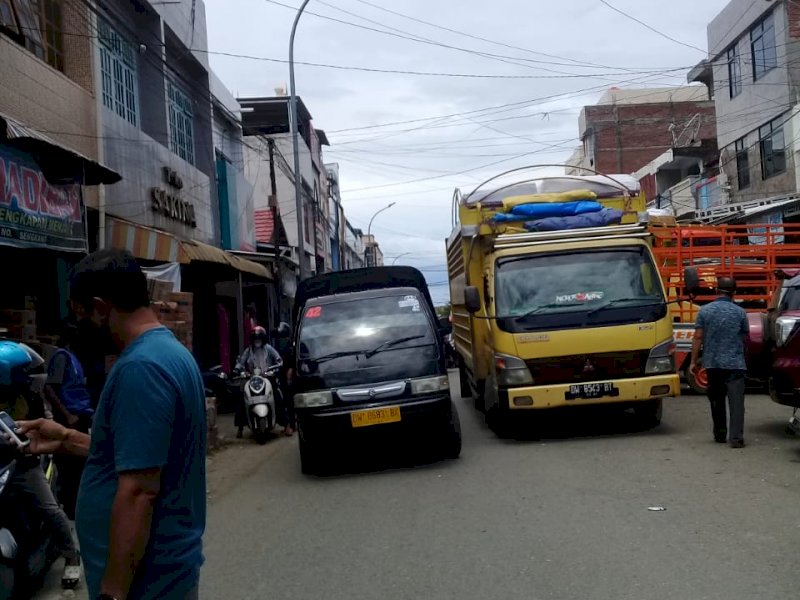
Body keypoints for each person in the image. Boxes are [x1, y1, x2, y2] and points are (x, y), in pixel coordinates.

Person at [17, 248, 207, 600]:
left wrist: (112, 593)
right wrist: (67, 439)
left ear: (102, 308)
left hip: (147, 583)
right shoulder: (168, 353)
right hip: (163, 575)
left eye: (81, 314)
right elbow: (145, 455)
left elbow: (139, 491)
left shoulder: (142, 368)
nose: (79, 327)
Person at [0, 340, 82, 589]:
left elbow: (40, 425)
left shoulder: (27, 398)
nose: (30, 379)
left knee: (49, 509)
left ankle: (71, 556)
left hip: (23, 463)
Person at [690, 276, 749, 448]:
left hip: (713, 363)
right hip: (735, 363)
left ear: (717, 291)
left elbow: (698, 337)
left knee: (716, 399)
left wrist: (694, 361)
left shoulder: (704, 311)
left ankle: (720, 434)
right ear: (734, 292)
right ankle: (736, 438)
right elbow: (744, 336)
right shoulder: (740, 312)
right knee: (737, 403)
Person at [43, 324, 94, 519]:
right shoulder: (61, 357)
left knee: (78, 465)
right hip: (69, 416)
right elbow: (50, 388)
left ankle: (74, 505)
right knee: (69, 466)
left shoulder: (73, 357)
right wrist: (66, 415)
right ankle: (68, 507)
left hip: (78, 414)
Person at [234, 325, 283, 438]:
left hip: (267, 377)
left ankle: (286, 425)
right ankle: (240, 428)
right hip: (252, 378)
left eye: (259, 339)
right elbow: (241, 362)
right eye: (255, 339)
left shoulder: (268, 348)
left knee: (277, 397)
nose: (257, 342)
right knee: (242, 399)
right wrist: (237, 369)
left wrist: (277, 365)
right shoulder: (248, 350)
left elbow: (278, 358)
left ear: (263, 339)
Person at [272, 322, 295, 437]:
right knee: (284, 400)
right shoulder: (278, 345)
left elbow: (291, 360)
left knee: (289, 400)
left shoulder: (290, 344)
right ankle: (289, 424)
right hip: (280, 374)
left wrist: (290, 371)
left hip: (287, 374)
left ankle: (291, 425)